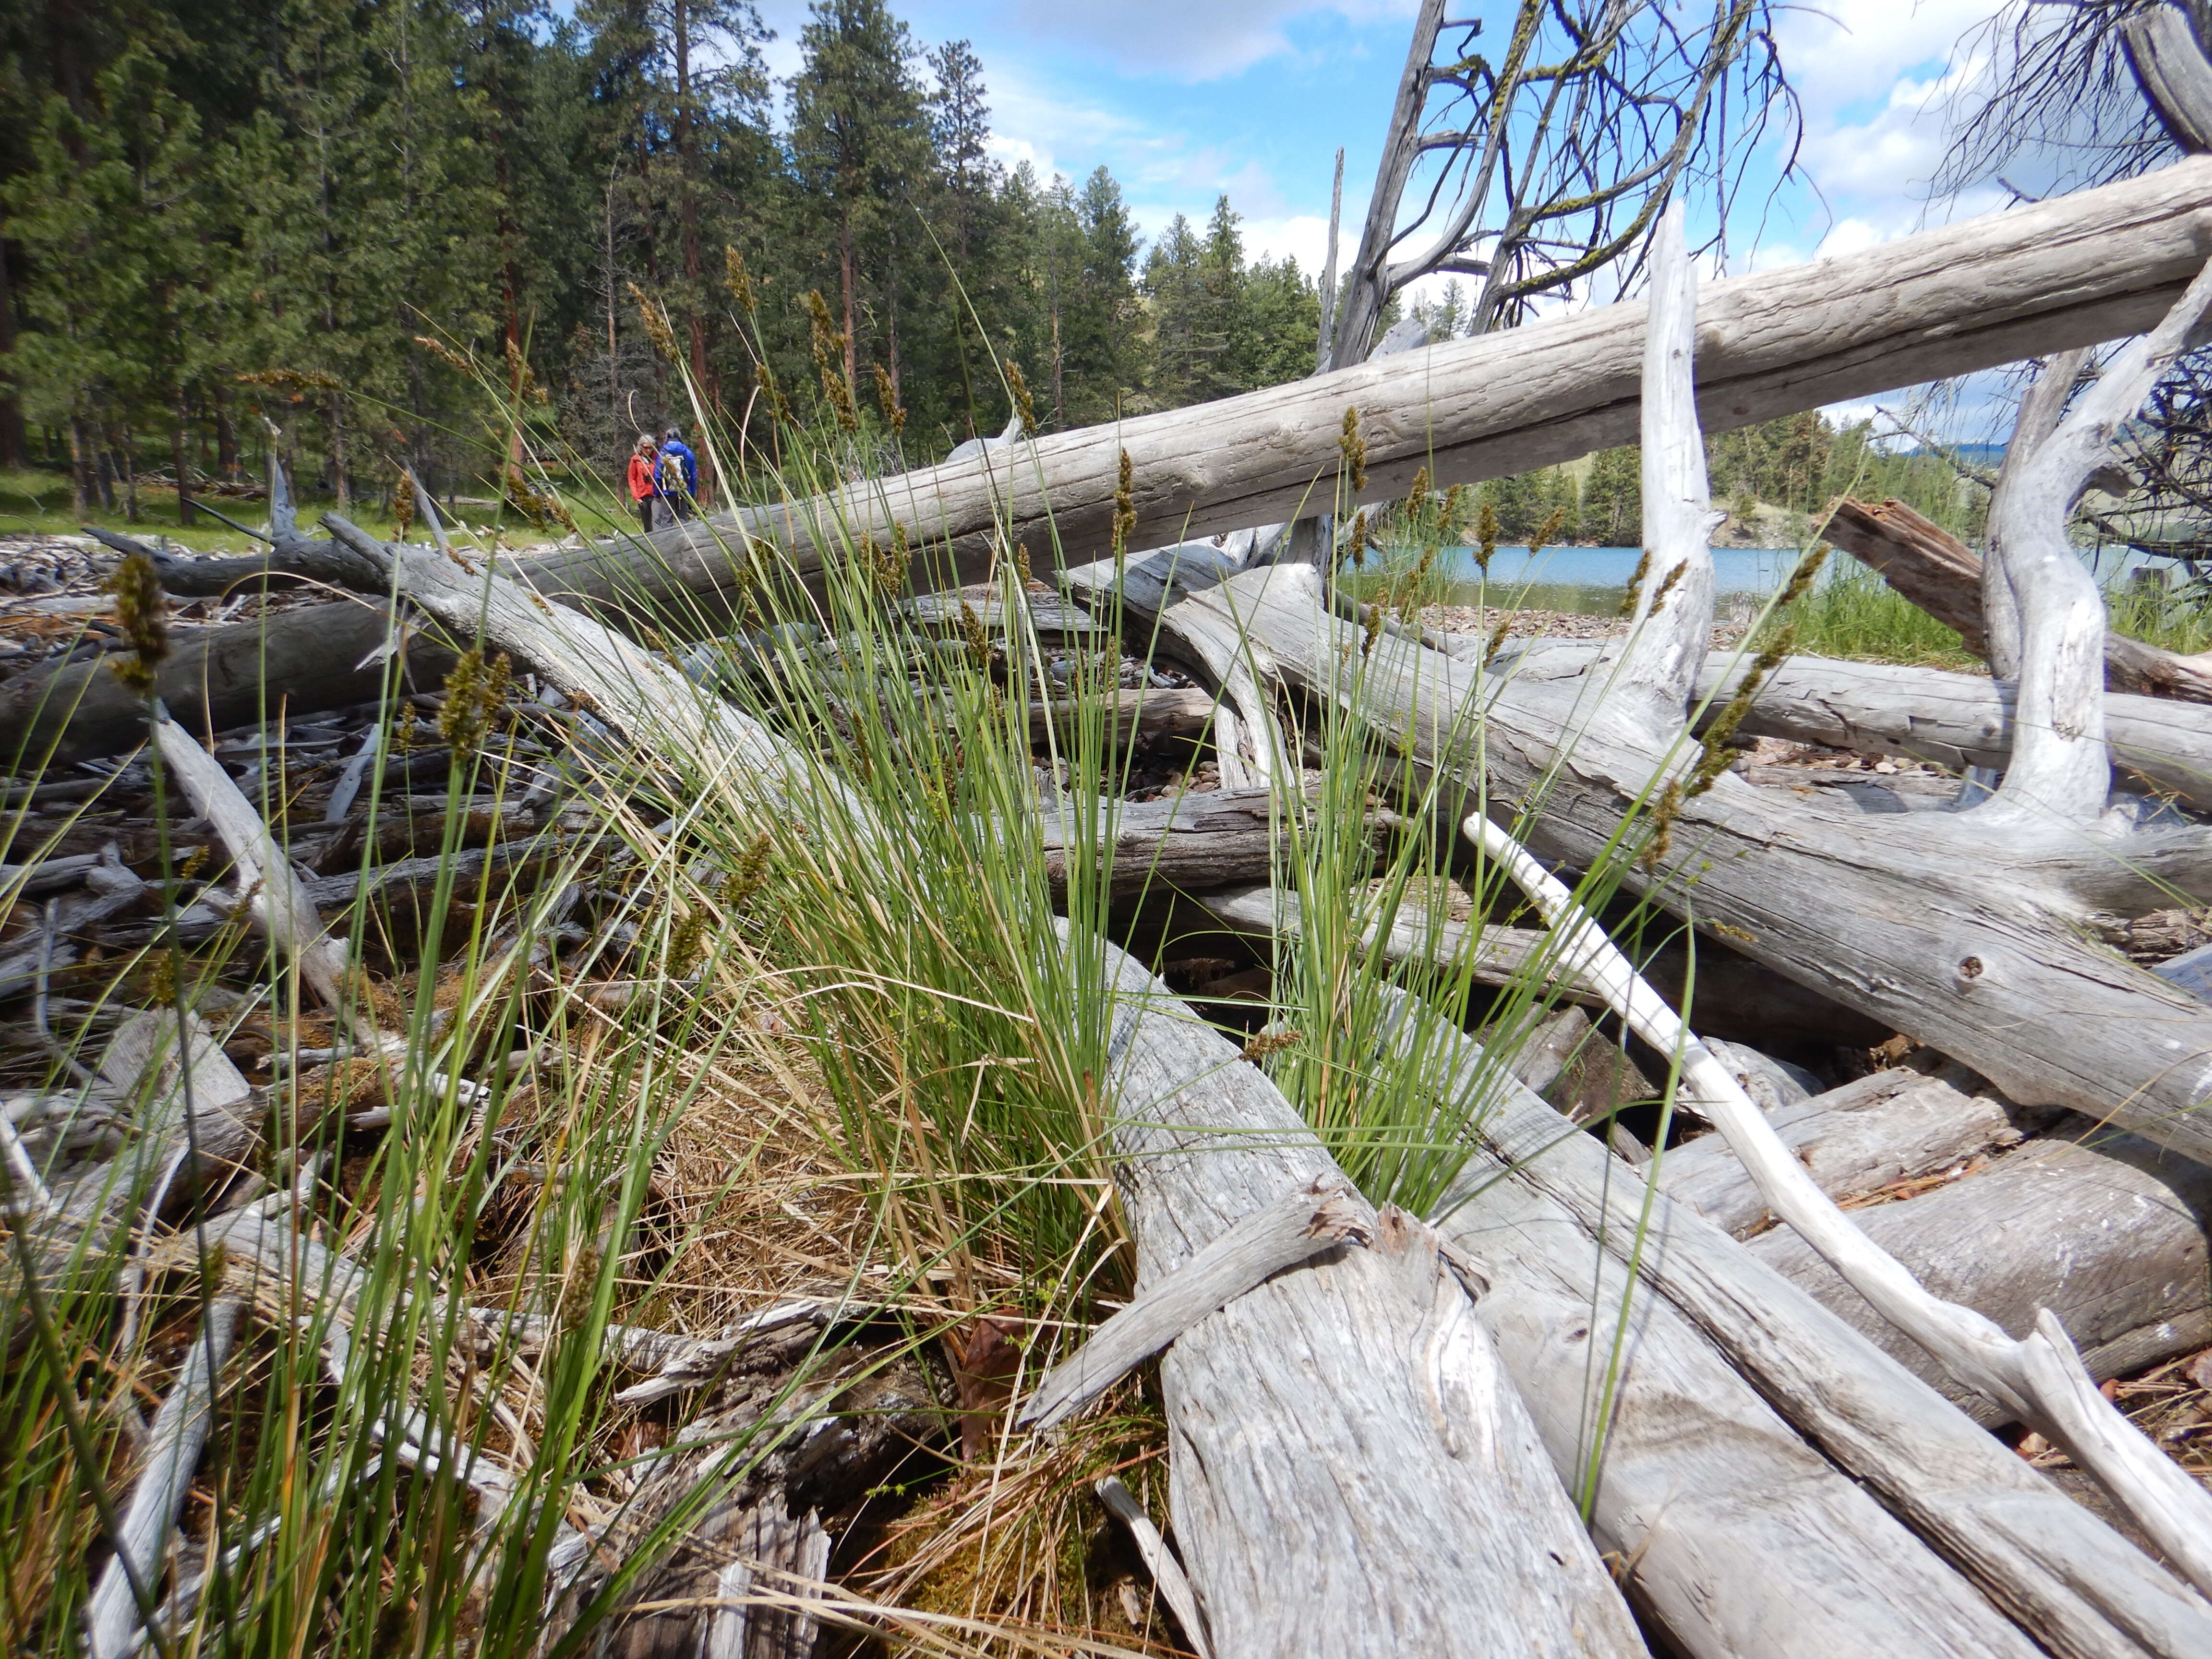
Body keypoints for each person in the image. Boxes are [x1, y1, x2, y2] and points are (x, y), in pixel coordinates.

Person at [661, 427, 699, 519]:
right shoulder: (688, 453)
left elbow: (658, 474)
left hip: (667, 491)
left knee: (667, 520)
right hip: (683, 490)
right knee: (683, 519)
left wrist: (657, 493)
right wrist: (692, 493)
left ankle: (667, 534)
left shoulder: (663, 452)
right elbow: (693, 476)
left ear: (667, 437)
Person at [626, 436, 660, 533]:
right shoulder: (635, 460)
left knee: (657, 520)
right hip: (642, 495)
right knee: (647, 523)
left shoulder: (656, 458)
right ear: (641, 447)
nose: (649, 450)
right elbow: (632, 479)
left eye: (651, 448)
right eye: (646, 447)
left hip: (655, 494)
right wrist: (636, 496)